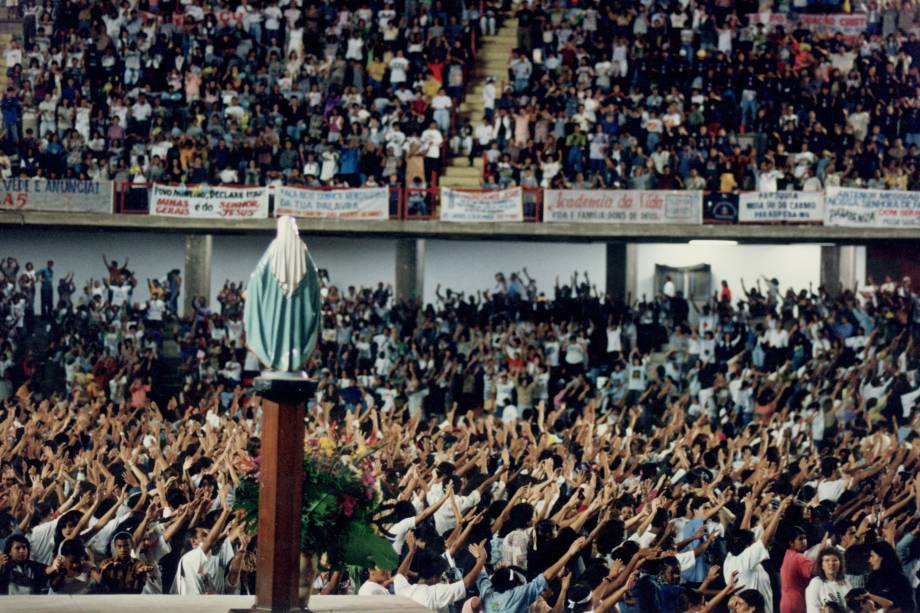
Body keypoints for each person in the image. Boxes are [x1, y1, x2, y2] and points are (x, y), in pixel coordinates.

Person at [804, 548, 850, 613]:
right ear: (822, 565)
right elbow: (812, 609)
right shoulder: (816, 583)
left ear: (840, 564)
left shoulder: (845, 582)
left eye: (835, 560)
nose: (831, 563)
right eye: (827, 560)